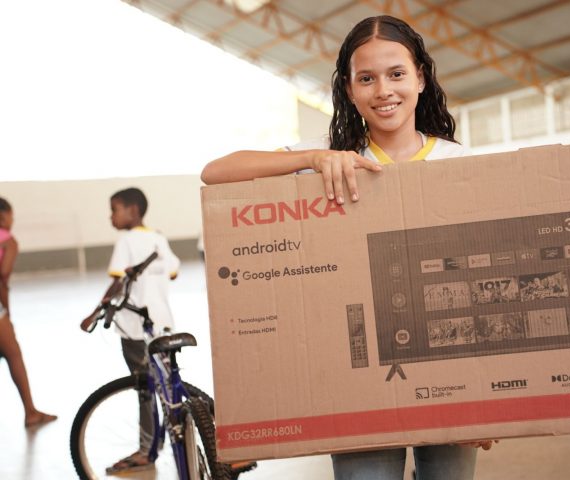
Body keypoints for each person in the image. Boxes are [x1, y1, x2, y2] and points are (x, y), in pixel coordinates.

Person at [202, 14, 495, 480]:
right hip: (358, 377)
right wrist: (313, 158)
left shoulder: (456, 161)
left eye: (396, 74)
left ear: (420, 78)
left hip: (450, 366)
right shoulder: (329, 157)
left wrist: (491, 398)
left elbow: (483, 281)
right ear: (349, 89)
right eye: (367, 78)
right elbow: (216, 173)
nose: (384, 91)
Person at [80, 187, 180, 474]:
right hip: (162, 323)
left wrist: (94, 313)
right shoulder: (158, 237)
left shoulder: (126, 240)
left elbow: (118, 283)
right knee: (165, 386)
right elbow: (173, 271)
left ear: (132, 211)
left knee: (144, 387)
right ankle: (168, 439)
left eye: (114, 210)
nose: (110, 216)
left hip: (136, 327)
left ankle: (146, 451)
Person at [0, 197, 57, 428]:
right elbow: (3, 276)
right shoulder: (8, 241)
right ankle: (31, 412)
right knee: (13, 354)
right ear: (4, 216)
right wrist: (7, 313)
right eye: (11, 216)